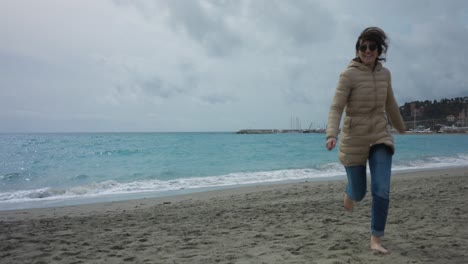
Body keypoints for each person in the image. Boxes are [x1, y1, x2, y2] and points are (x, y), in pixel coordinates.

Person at [325, 27, 406, 254]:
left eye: (372, 47)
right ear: (358, 49)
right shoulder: (348, 75)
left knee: (382, 188)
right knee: (359, 192)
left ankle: (376, 239)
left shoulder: (385, 74)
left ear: (379, 50)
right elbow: (336, 107)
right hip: (354, 138)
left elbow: (390, 103)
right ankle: (349, 194)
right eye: (363, 47)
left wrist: (401, 127)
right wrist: (332, 134)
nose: (367, 51)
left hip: (380, 135)